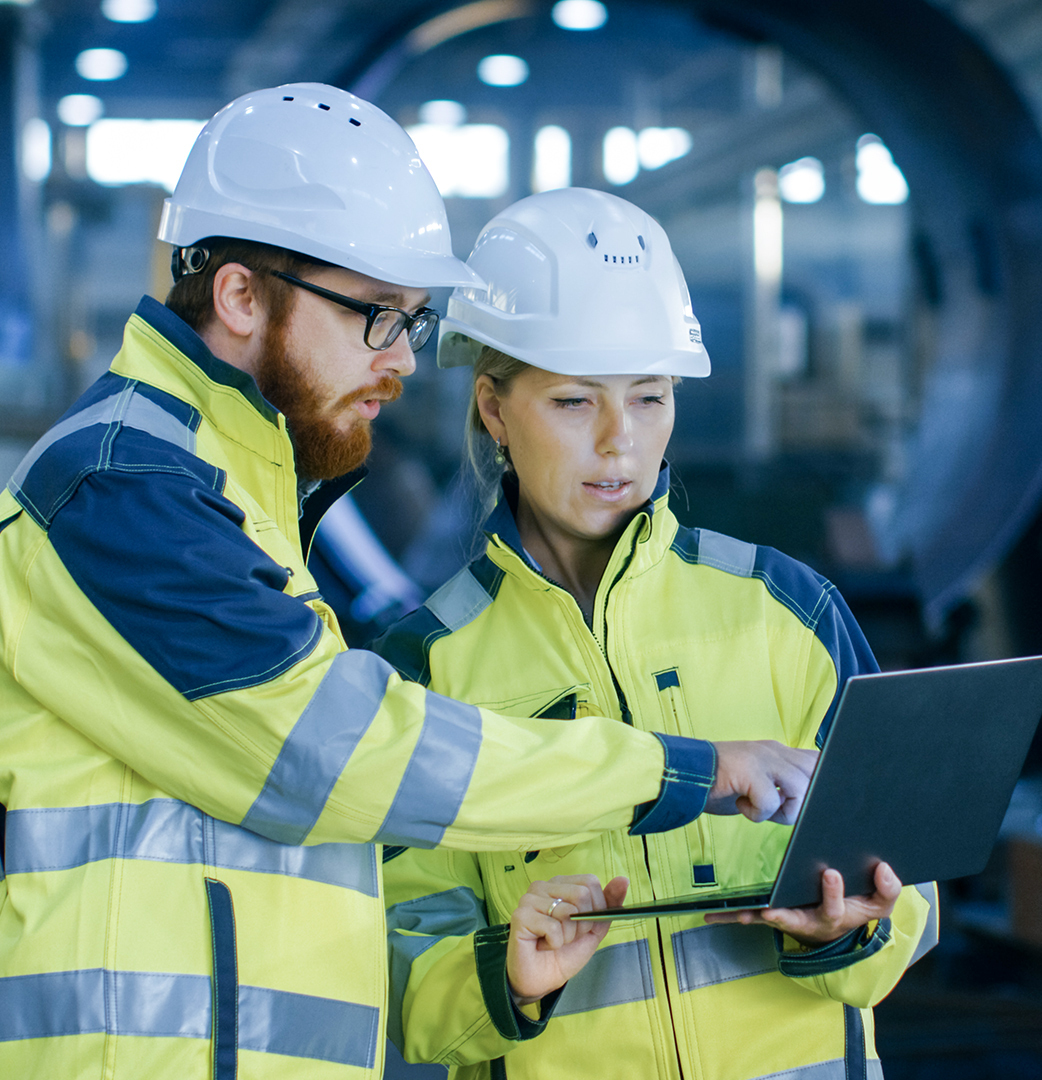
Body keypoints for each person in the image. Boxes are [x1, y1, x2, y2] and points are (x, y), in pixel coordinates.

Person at [0, 85, 819, 1079]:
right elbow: (333, 753)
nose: (398, 364)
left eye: (415, 325)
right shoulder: (124, 485)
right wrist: (675, 770)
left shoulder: (234, 490)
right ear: (241, 297)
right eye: (377, 318)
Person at [371, 188, 939, 1080]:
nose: (619, 443)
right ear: (492, 410)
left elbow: (915, 883)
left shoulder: (787, 609)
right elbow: (399, 964)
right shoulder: (426, 668)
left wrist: (852, 926)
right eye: (571, 403)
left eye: (648, 397)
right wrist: (509, 979)